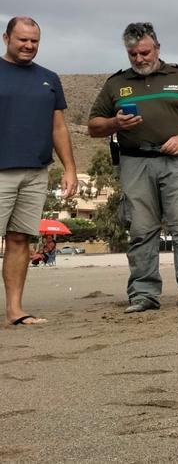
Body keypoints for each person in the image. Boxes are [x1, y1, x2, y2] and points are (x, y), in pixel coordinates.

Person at [87, 22, 178, 313]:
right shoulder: (115, 84)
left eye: (145, 52)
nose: (139, 59)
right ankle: (143, 293)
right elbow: (93, 125)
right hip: (134, 162)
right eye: (133, 54)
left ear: (157, 48)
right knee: (141, 230)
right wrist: (114, 124)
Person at [1, 17, 76, 325]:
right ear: (6, 38)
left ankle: (16, 310)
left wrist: (70, 168)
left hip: (35, 172)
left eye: (34, 41)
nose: (29, 46)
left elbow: (58, 127)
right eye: (22, 40)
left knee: (20, 240)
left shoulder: (49, 78)